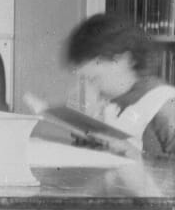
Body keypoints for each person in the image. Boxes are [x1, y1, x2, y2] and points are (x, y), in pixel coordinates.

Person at [29, 12, 175, 157]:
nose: (93, 88)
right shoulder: (110, 105)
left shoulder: (164, 101)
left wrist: (137, 155)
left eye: (94, 79)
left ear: (124, 60)